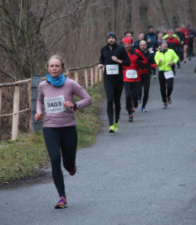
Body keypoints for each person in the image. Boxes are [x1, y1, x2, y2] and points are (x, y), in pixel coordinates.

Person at [35, 55, 92, 209]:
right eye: (51, 66)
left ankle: (71, 166)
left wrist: (74, 104)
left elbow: (88, 99)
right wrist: (39, 112)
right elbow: (39, 101)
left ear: (62, 68)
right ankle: (62, 197)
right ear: (47, 68)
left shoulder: (70, 84)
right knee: (54, 159)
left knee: (67, 164)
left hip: (68, 128)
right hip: (50, 128)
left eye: (57, 66)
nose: (54, 68)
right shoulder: (42, 86)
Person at [98, 32, 130, 133]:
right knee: (109, 99)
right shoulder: (103, 49)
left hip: (118, 79)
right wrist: (100, 64)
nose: (111, 39)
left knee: (117, 101)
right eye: (109, 38)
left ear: (115, 39)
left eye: (113, 38)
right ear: (107, 39)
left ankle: (116, 121)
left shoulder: (120, 49)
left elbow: (127, 63)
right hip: (108, 78)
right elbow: (102, 59)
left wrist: (118, 60)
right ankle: (111, 124)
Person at [122, 37, 147, 121]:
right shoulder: (122, 52)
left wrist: (139, 63)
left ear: (131, 44)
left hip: (136, 77)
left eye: (128, 44)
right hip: (126, 77)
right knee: (128, 95)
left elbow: (144, 60)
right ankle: (130, 114)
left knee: (135, 95)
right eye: (125, 44)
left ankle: (135, 102)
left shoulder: (137, 52)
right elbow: (118, 62)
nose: (127, 45)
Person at [154, 40, 179, 109]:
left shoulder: (171, 51)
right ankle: (164, 102)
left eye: (165, 44)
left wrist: (173, 62)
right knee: (162, 88)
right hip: (161, 72)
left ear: (167, 45)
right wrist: (158, 62)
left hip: (169, 71)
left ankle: (168, 96)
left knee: (170, 86)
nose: (164, 45)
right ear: (161, 45)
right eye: (163, 44)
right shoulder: (157, 53)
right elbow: (156, 62)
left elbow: (176, 58)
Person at [138, 40, 156, 112]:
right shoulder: (137, 54)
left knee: (146, 91)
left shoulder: (150, 54)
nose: (143, 46)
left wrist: (151, 68)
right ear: (139, 46)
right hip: (138, 75)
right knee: (138, 90)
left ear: (146, 46)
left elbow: (154, 64)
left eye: (144, 45)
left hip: (147, 75)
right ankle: (138, 97)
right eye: (141, 45)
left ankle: (143, 106)